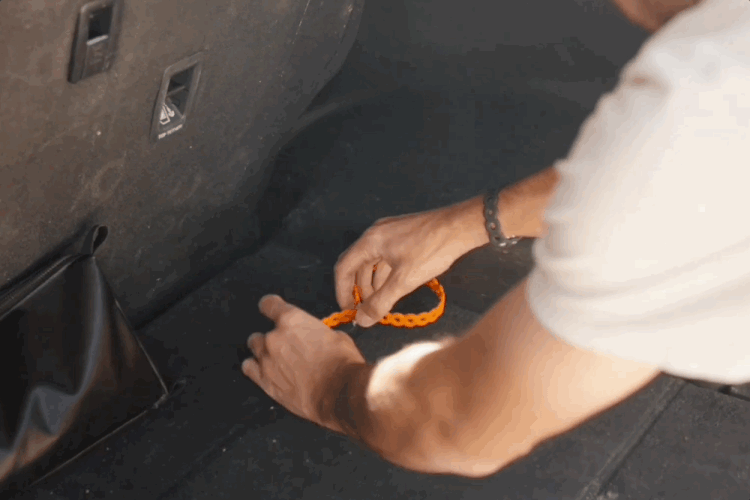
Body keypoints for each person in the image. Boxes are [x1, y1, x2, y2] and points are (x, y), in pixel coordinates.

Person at [241, 0, 750, 479]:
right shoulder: (718, 81)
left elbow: (456, 424)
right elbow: (664, 179)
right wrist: (465, 224)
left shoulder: (695, 106)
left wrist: (329, 386)